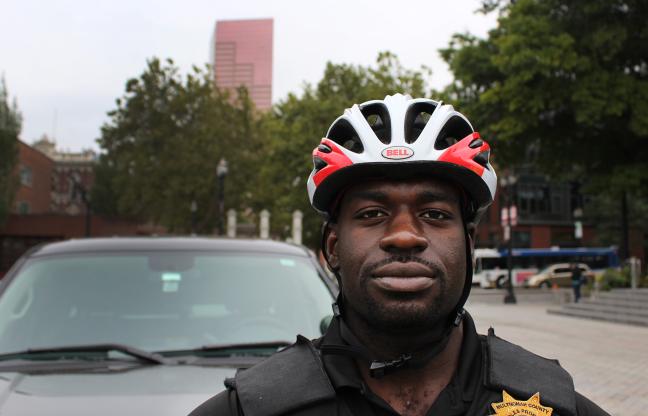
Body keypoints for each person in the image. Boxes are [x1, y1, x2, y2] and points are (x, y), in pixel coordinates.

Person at [189, 94, 609, 416]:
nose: (405, 236)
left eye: (433, 213)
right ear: (332, 247)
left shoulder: (547, 403)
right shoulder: (253, 408)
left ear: (470, 245)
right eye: (372, 214)